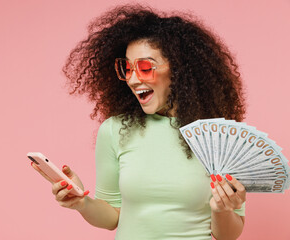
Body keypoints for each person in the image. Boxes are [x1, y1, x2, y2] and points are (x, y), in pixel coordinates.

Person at [32, 4, 247, 240]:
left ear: (179, 71)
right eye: (127, 68)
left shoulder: (222, 137)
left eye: (145, 68)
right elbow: (113, 217)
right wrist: (81, 202)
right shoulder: (115, 130)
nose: (133, 79)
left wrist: (222, 209)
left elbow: (227, 235)